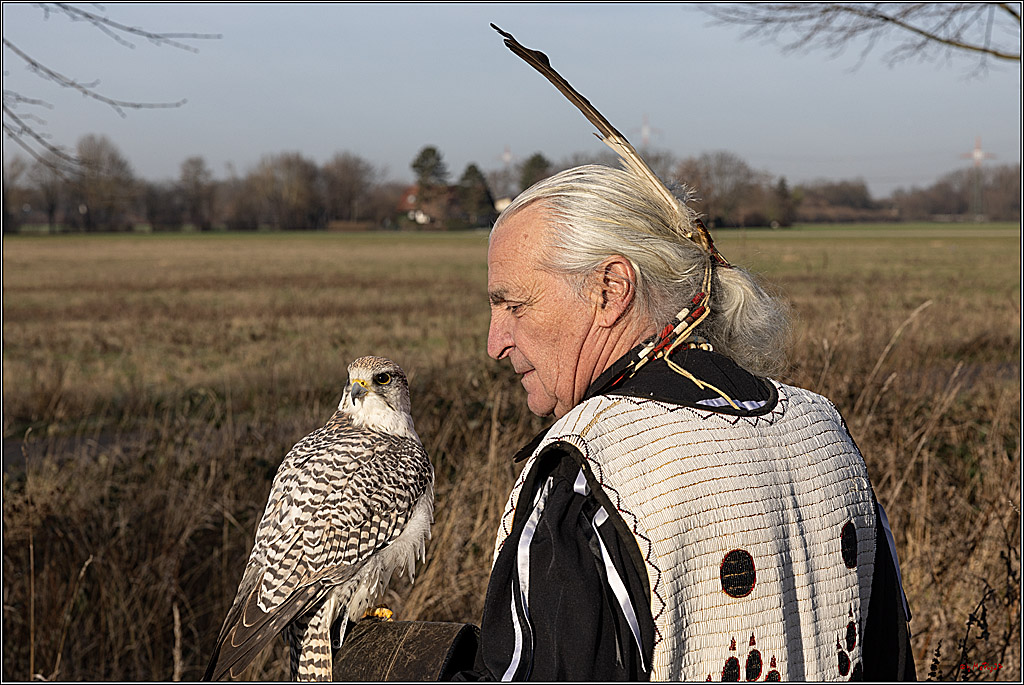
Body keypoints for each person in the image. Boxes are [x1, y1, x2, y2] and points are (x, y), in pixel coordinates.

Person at [454, 164, 916, 681]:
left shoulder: (589, 470)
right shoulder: (822, 429)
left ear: (609, 289)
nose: (495, 344)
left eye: (514, 305)